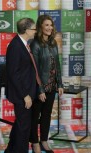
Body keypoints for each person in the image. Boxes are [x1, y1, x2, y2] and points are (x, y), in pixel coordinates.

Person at [29, 15, 64, 153]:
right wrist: (40, 90)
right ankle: (35, 143)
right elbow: (35, 70)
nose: (49, 28)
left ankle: (44, 140)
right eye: (46, 25)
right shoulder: (35, 44)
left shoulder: (53, 42)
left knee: (47, 115)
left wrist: (60, 84)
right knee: (34, 116)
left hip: (52, 86)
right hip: (39, 88)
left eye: (51, 25)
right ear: (40, 27)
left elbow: (57, 64)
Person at [4, 18, 38, 153]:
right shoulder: (15, 46)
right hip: (21, 94)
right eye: (34, 29)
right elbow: (14, 74)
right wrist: (25, 96)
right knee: (24, 128)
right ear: (27, 30)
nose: (36, 31)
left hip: (27, 91)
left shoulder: (23, 43)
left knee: (20, 125)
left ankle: (10, 150)